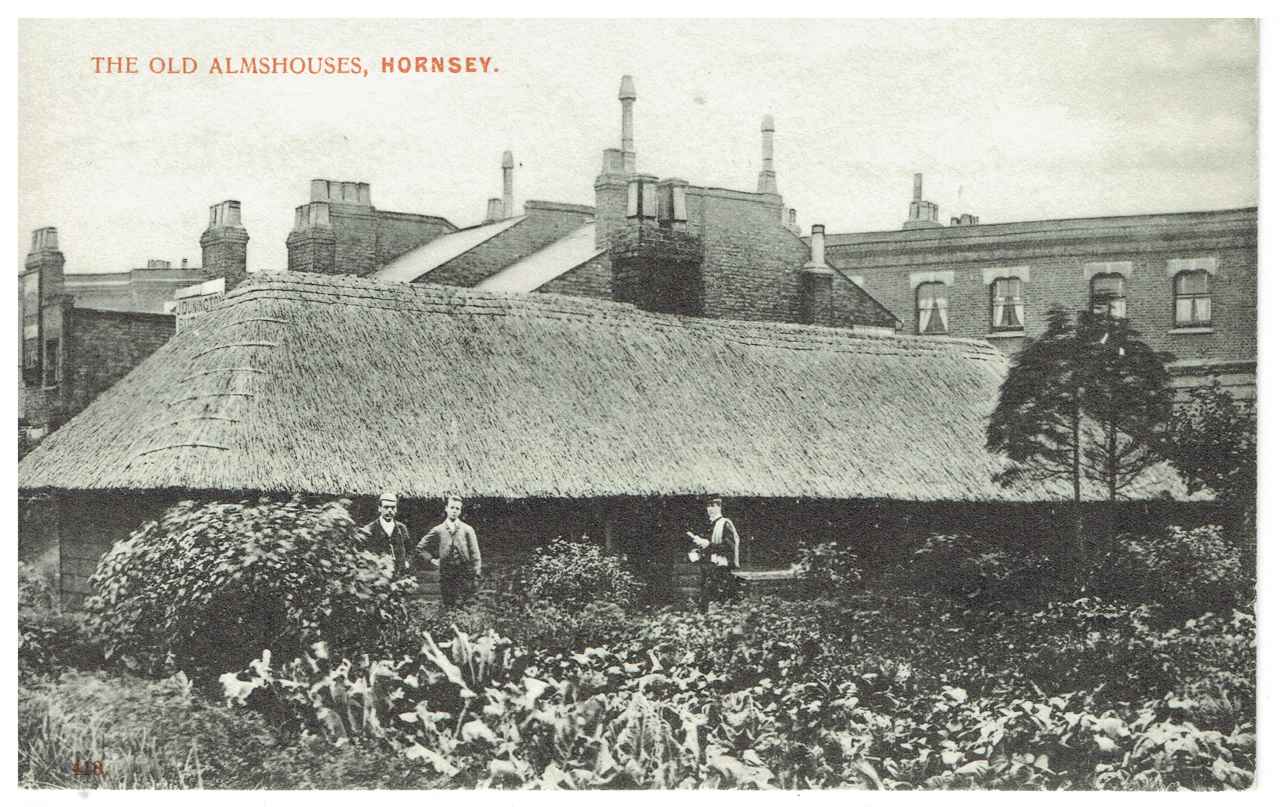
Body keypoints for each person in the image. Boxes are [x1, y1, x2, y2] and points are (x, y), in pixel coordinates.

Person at [415, 494, 481, 608]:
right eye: (452, 507)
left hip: (464, 573)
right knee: (448, 604)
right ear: (446, 508)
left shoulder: (467, 529)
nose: (454, 511)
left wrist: (476, 574)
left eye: (457, 508)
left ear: (460, 511)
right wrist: (431, 560)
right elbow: (420, 548)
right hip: (446, 573)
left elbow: (475, 554)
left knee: (463, 605)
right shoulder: (438, 529)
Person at [687, 496, 741, 612]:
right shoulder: (709, 525)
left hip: (720, 567)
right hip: (707, 565)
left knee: (715, 596)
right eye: (708, 506)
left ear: (719, 507)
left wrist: (708, 545)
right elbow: (707, 546)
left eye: (713, 506)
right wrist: (698, 549)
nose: (710, 509)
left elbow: (729, 547)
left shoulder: (725, 524)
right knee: (705, 595)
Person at [360, 492, 410, 576]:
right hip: (379, 575)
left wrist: (406, 561)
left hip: (400, 574)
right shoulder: (370, 529)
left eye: (393, 508)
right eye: (386, 507)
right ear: (379, 508)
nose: (389, 511)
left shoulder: (401, 528)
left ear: (396, 509)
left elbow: (409, 549)